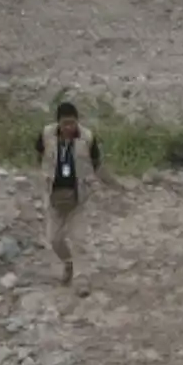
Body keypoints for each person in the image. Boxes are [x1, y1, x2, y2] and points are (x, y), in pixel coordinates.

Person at [34, 100, 121, 286]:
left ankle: (82, 279)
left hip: (79, 195)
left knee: (79, 239)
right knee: (54, 239)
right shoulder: (46, 134)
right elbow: (39, 155)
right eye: (65, 123)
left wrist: (111, 183)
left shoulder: (87, 138)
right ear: (58, 122)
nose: (69, 127)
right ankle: (68, 263)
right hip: (54, 195)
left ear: (77, 121)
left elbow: (97, 163)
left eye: (72, 123)